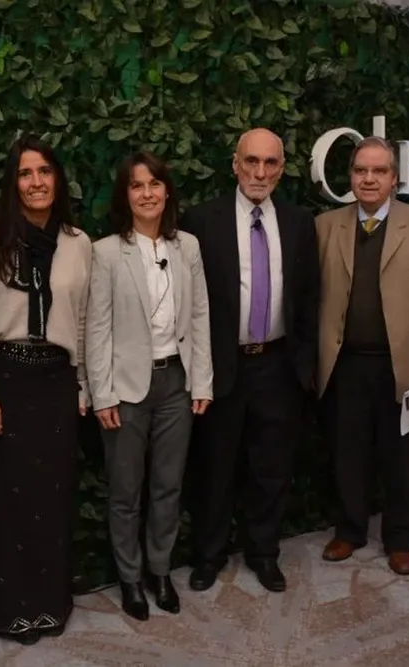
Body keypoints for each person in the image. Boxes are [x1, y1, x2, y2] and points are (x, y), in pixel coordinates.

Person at [0, 134, 91, 645]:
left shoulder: (79, 243)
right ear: (12, 183)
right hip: (7, 379)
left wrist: (82, 386)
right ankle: (3, 611)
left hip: (57, 383)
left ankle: (45, 606)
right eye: (24, 173)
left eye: (44, 171)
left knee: (51, 498)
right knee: (4, 502)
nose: (36, 182)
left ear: (57, 179)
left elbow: (82, 322)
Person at [180, 128, 319, 593]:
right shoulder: (202, 221)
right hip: (222, 364)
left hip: (278, 365)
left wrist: (304, 364)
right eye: (252, 162)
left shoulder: (301, 223)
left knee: (271, 467)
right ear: (235, 164)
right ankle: (209, 555)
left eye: (271, 163)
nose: (260, 173)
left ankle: (263, 553)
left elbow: (308, 297)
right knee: (215, 467)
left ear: (282, 168)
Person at [315, 136, 409, 575]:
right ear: (351, 177)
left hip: (406, 367)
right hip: (345, 364)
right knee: (348, 454)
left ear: (394, 179)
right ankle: (350, 531)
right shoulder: (326, 226)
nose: (369, 178)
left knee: (401, 462)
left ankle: (400, 540)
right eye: (361, 170)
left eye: (379, 171)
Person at [86, 152, 213, 621]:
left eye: (155, 184)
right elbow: (95, 329)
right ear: (125, 195)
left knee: (167, 486)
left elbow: (199, 316)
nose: (147, 193)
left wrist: (202, 381)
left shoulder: (189, 248)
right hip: (125, 389)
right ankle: (130, 579)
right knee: (125, 491)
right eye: (137, 186)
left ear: (167, 191)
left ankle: (160, 571)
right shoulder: (105, 252)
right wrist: (102, 393)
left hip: (177, 382)